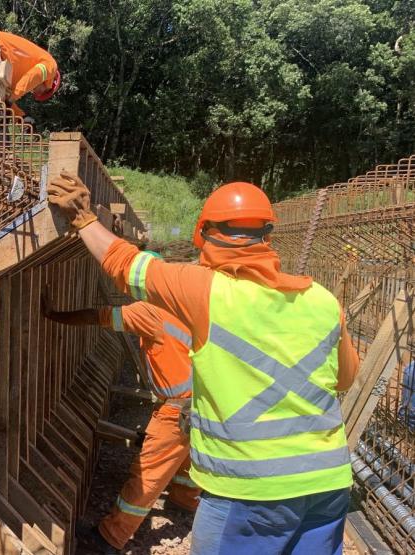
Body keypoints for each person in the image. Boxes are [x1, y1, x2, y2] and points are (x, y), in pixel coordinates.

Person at [47, 173, 360, 555]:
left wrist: (84, 219)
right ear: (267, 235)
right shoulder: (321, 299)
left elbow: (128, 267)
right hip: (328, 483)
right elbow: (345, 379)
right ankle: (181, 496)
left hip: (250, 488)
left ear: (204, 233)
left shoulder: (205, 290)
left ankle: (113, 535)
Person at [41, 282, 200, 555]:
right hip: (201, 404)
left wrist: (54, 315)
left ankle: (109, 537)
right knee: (187, 457)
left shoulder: (149, 311)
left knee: (147, 476)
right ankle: (184, 501)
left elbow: (96, 316)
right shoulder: (186, 309)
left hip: (176, 410)